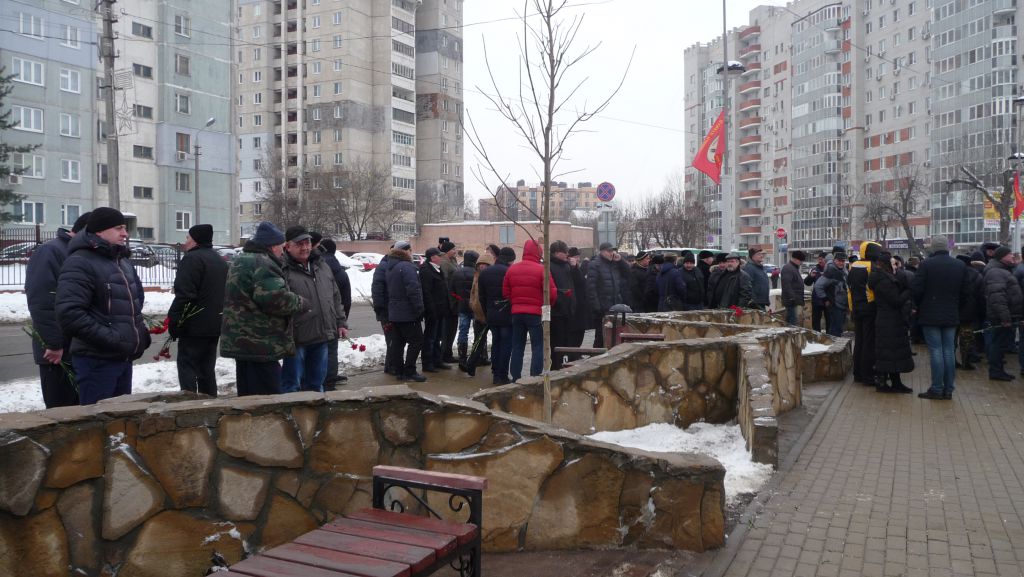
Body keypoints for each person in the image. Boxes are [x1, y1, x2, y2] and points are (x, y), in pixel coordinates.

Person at [55, 208, 151, 405]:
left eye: (125, 228)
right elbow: (70, 313)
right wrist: (112, 338)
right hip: (96, 361)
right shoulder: (80, 262)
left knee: (122, 418)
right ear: (99, 231)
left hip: (122, 358)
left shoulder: (121, 261)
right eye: (118, 228)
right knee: (97, 419)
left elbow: (131, 305)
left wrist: (140, 333)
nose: (125, 234)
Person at [220, 222, 306, 396]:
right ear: (273, 246)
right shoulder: (263, 264)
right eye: (281, 246)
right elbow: (274, 299)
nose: (282, 251)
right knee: (268, 397)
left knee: (248, 394)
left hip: (241, 340)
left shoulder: (241, 259)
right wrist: (300, 302)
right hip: (260, 341)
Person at [26, 211, 90, 408]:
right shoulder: (51, 251)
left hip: (80, 347)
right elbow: (42, 300)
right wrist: (54, 343)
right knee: (62, 409)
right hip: (58, 352)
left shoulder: (80, 252)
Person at [279, 226, 347, 393]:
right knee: (292, 386)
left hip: (321, 336)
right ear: (288, 246)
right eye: (299, 244)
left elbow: (335, 296)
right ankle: (293, 410)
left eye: (307, 243)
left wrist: (340, 321)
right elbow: (279, 302)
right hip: (297, 338)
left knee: (317, 385)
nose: (305, 248)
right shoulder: (282, 269)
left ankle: (316, 410)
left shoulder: (322, 265)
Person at [168, 224, 228, 397]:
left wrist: (175, 320)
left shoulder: (192, 259)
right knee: (207, 369)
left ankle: (189, 403)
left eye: (188, 237)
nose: (186, 241)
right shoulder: (219, 260)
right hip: (214, 324)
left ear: (195, 240)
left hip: (193, 325)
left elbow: (185, 294)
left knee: (187, 366)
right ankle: (209, 402)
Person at [912, 236, 971, 399]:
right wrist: (956, 306)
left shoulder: (926, 264)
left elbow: (917, 290)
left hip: (930, 314)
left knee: (936, 351)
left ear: (933, 248)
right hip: (951, 313)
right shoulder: (959, 265)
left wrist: (919, 306)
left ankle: (937, 388)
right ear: (947, 247)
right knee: (949, 351)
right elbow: (966, 292)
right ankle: (949, 389)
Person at [504, 239, 557, 380]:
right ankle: (534, 377)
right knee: (538, 346)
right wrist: (547, 306)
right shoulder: (542, 270)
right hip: (535, 314)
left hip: (516, 313)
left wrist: (515, 303)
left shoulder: (512, 269)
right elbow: (552, 293)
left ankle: (515, 377)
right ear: (538, 253)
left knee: (517, 346)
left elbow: (506, 292)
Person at [868, 252, 914, 393]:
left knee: (891, 353)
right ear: (887, 265)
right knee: (886, 353)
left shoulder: (884, 278)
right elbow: (896, 301)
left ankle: (895, 382)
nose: (896, 267)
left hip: (889, 320)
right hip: (888, 321)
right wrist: (908, 291)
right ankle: (882, 384)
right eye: (894, 264)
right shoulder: (883, 280)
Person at [384, 241, 426, 382]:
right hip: (408, 312)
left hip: (395, 312)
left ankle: (399, 371)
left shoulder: (391, 266)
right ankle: (410, 371)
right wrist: (419, 309)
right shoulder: (407, 267)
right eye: (410, 250)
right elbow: (413, 290)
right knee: (417, 341)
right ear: (406, 251)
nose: (411, 253)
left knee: (398, 343)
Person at [982, 246, 1021, 383]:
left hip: (1004, 314)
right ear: (1002, 257)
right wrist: (1005, 317)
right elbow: (997, 298)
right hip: (1000, 316)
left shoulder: (1001, 270)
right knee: (998, 344)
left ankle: (998, 370)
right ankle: (996, 371)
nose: (1013, 256)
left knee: (1000, 343)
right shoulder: (996, 272)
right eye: (1010, 254)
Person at [318, 237, 351, 390]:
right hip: (334, 317)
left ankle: (322, 380)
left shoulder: (317, 266)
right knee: (331, 351)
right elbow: (345, 299)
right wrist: (342, 320)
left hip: (317, 319)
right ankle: (330, 379)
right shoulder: (338, 269)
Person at [479, 247, 515, 384]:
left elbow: (482, 297)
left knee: (496, 343)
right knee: (506, 345)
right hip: (506, 314)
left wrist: (487, 312)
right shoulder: (509, 272)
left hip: (492, 314)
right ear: (510, 260)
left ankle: (495, 373)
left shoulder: (485, 273)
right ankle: (502, 375)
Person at [586, 242, 632, 348]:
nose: (611, 253)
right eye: (609, 251)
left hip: (616, 305)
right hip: (603, 307)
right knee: (601, 335)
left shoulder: (615, 263)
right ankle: (596, 355)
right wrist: (597, 307)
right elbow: (591, 288)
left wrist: (621, 261)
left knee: (614, 335)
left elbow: (628, 273)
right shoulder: (595, 264)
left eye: (612, 251)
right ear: (602, 252)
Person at [848, 241, 881, 385]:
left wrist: (852, 308)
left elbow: (849, 290)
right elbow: (875, 289)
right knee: (869, 342)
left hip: (856, 308)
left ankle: (858, 374)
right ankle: (868, 376)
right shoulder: (873, 267)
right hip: (870, 308)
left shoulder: (853, 266)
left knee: (859, 341)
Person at [420, 247, 450, 372]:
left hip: (440, 309)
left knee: (438, 337)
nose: (441, 258)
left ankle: (437, 360)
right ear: (432, 257)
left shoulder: (437, 269)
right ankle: (427, 363)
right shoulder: (426, 270)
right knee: (430, 337)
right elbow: (426, 292)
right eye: (439, 256)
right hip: (433, 310)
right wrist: (431, 310)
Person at [548, 241, 576, 370]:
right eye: (565, 252)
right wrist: (559, 301)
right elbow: (551, 289)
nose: (567, 254)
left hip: (568, 310)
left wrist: (575, 268)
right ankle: (556, 367)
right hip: (556, 311)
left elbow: (576, 284)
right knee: (557, 342)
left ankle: (564, 365)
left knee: (567, 341)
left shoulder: (567, 266)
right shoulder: (549, 266)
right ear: (556, 253)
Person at [465, 251, 494, 373]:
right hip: (482, 314)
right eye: (480, 264)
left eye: (484, 264)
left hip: (485, 313)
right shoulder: (477, 276)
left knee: (480, 341)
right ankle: (471, 365)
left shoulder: (480, 276)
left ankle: (473, 365)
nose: (482, 267)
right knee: (478, 342)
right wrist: (473, 306)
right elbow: (473, 295)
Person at [372, 243, 397, 375]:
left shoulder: (392, 265)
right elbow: (377, 289)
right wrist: (380, 309)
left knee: (395, 339)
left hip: (393, 309)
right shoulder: (383, 267)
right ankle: (391, 366)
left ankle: (392, 364)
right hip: (387, 311)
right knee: (392, 339)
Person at [452, 250, 479, 367]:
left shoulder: (457, 272)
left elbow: (451, 291)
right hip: (476, 306)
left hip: (462, 306)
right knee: (478, 331)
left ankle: (462, 358)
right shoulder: (477, 273)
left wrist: (459, 299)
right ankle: (478, 356)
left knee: (463, 330)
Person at [813, 252, 848, 337]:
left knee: (838, 328)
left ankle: (833, 343)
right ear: (834, 260)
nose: (841, 263)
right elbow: (818, 286)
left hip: (842, 304)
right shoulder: (830, 271)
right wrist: (825, 299)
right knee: (835, 329)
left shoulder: (843, 270)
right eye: (839, 261)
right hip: (835, 304)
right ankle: (834, 345)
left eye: (843, 261)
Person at [955, 254, 980, 371]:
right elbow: (980, 294)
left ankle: (953, 361)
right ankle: (967, 362)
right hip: (969, 311)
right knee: (967, 339)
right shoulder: (976, 274)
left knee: (952, 338)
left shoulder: (953, 273)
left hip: (953, 310)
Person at [565, 247, 590, 360]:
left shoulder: (576, 268)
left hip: (581, 305)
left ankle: (576, 353)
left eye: (578, 257)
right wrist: (574, 267)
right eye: (576, 257)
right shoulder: (569, 268)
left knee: (580, 332)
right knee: (574, 334)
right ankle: (573, 355)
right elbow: (578, 281)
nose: (578, 259)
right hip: (574, 306)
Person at [439, 240, 460, 364]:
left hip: (454, 299)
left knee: (452, 328)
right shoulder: (444, 263)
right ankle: (445, 354)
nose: (455, 251)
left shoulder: (452, 261)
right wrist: (451, 299)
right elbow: (445, 283)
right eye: (453, 249)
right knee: (447, 329)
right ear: (447, 251)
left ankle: (448, 352)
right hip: (448, 300)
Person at [780, 250, 806, 326]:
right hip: (791, 301)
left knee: (791, 320)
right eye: (801, 261)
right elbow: (786, 284)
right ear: (796, 259)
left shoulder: (793, 268)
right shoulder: (788, 268)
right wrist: (792, 297)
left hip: (793, 300)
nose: (801, 263)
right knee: (792, 322)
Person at [804, 252, 828, 331]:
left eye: (822, 259)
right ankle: (817, 336)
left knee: (829, 320)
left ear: (826, 260)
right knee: (816, 321)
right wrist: (810, 276)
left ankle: (829, 336)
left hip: (828, 299)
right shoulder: (815, 269)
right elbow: (807, 283)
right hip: (817, 300)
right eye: (819, 259)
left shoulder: (830, 269)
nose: (820, 261)